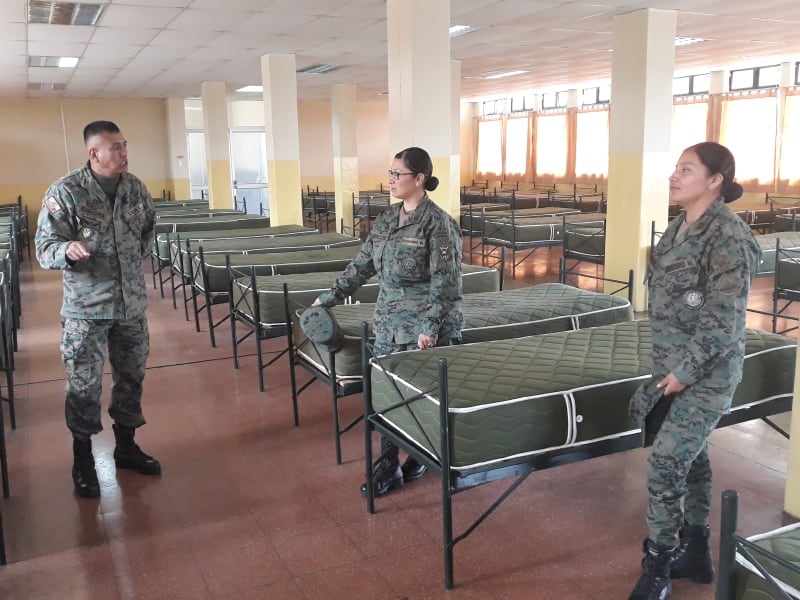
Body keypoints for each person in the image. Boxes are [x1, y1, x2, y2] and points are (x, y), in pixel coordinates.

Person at [627, 142, 760, 600]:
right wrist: (670, 370)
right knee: (692, 457)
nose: (674, 175)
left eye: (686, 169)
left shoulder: (729, 237)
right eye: (676, 168)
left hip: (707, 375)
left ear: (714, 180)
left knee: (665, 464)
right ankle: (697, 550)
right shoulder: (679, 226)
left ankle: (659, 563)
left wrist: (684, 373)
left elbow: (723, 323)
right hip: (670, 367)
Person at [314, 146, 463, 497]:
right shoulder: (387, 219)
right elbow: (362, 265)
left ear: (419, 178)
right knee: (386, 394)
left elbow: (446, 284)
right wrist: (329, 297)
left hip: (422, 329)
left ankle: (421, 456)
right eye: (391, 173)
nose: (391, 180)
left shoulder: (438, 224)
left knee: (417, 398)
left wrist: (430, 328)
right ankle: (388, 465)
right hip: (387, 325)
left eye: (398, 174)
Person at [35, 120, 161, 499]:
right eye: (115, 147)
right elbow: (44, 248)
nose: (124, 153)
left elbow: (148, 231)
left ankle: (126, 446)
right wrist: (66, 250)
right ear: (94, 153)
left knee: (131, 377)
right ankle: (84, 459)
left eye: (125, 145)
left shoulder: (135, 188)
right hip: (86, 309)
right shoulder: (66, 192)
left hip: (130, 307)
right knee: (84, 385)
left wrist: (130, 261)